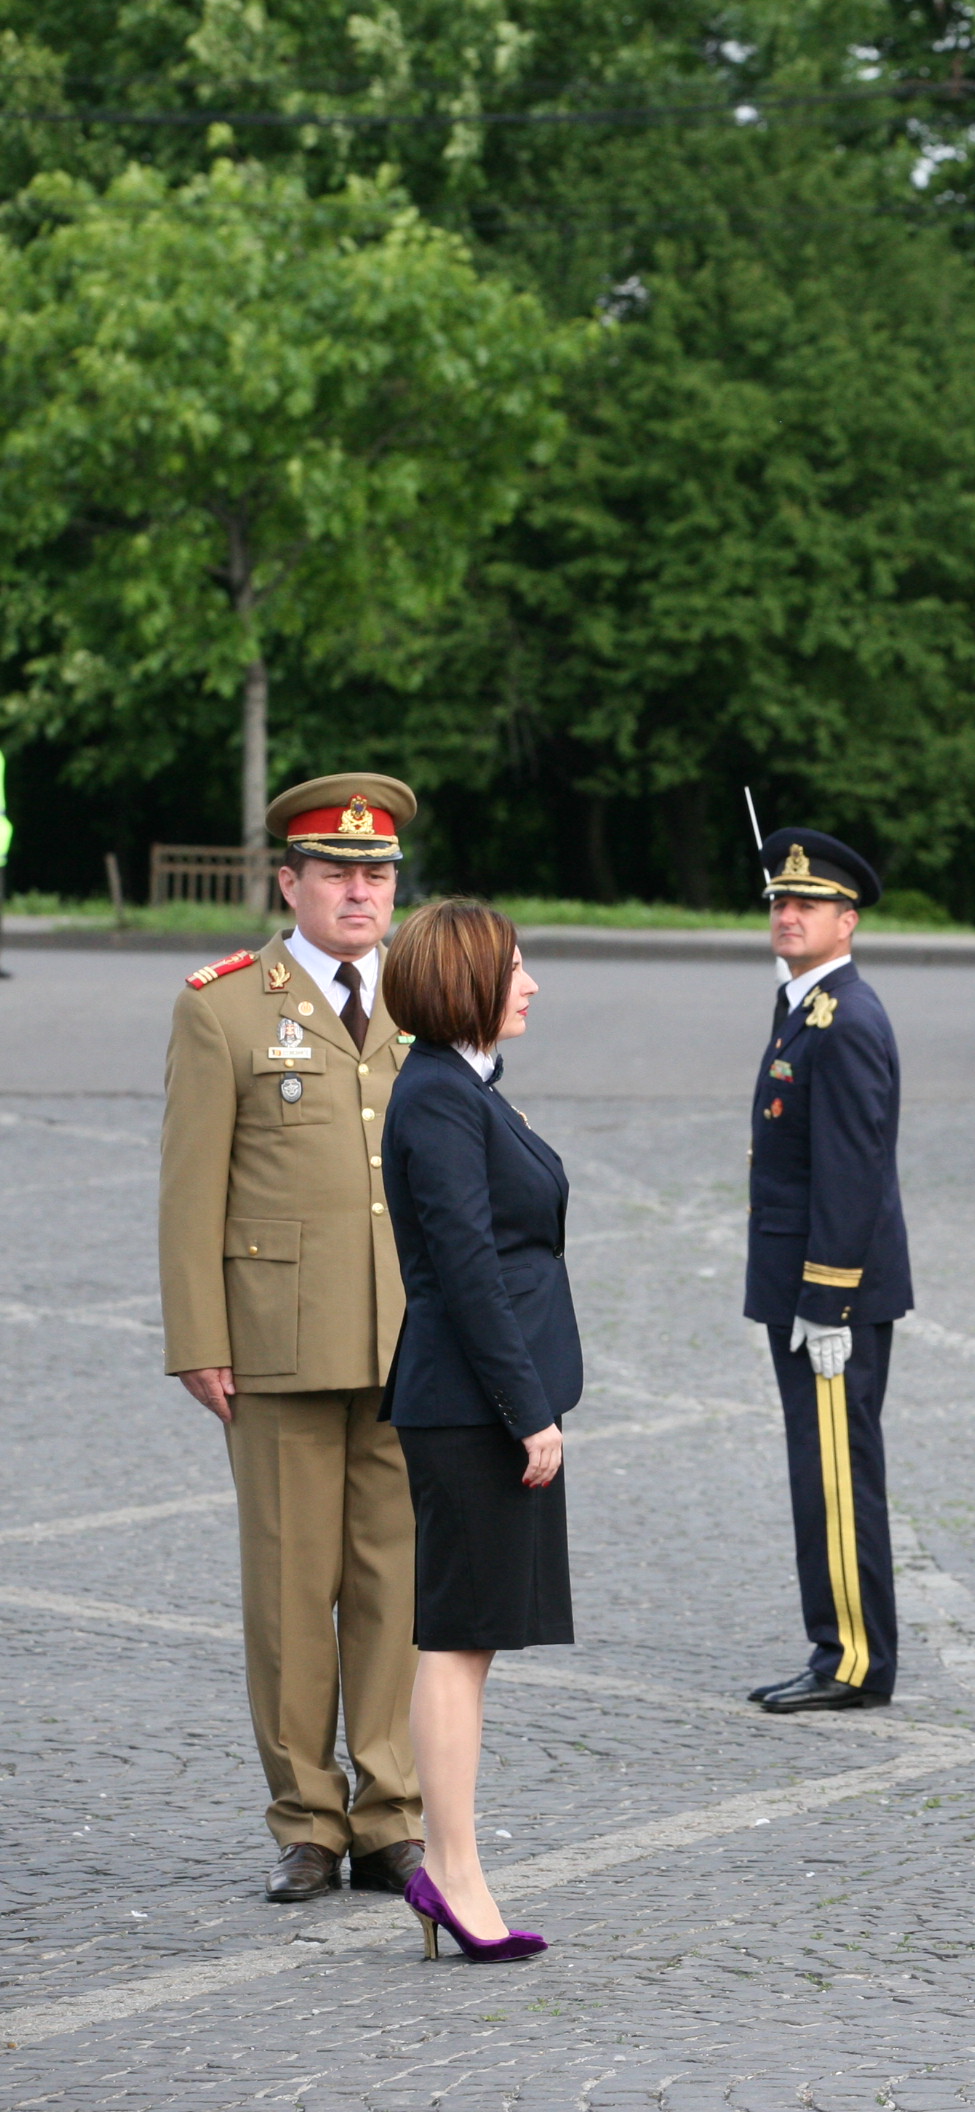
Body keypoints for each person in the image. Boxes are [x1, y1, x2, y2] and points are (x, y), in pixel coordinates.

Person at [158, 772, 423, 1902]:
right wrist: (197, 1338)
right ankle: (308, 1820)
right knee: (287, 1585)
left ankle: (391, 1812)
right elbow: (188, 1190)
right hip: (274, 1340)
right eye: (338, 874)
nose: (361, 893)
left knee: (393, 1586)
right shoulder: (223, 1005)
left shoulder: (424, 995)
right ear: (291, 882)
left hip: (409, 1341)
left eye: (379, 875)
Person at [376, 899, 570, 1964]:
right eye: (515, 967)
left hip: (474, 1400)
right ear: (466, 984)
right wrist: (527, 1408)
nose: (531, 983)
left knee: (471, 1641)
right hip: (469, 1405)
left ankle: (455, 1867)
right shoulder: (441, 1099)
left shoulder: (462, 1086)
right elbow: (466, 1273)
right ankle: (451, 1872)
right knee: (456, 1641)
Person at [743, 829, 913, 1714]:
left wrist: (827, 1300)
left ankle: (851, 1657)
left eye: (805, 903)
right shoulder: (806, 1005)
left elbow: (851, 1171)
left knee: (838, 1473)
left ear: (847, 921)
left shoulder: (842, 1020)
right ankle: (837, 1644)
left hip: (829, 1296)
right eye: (779, 900)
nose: (787, 913)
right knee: (822, 1468)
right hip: (809, 1286)